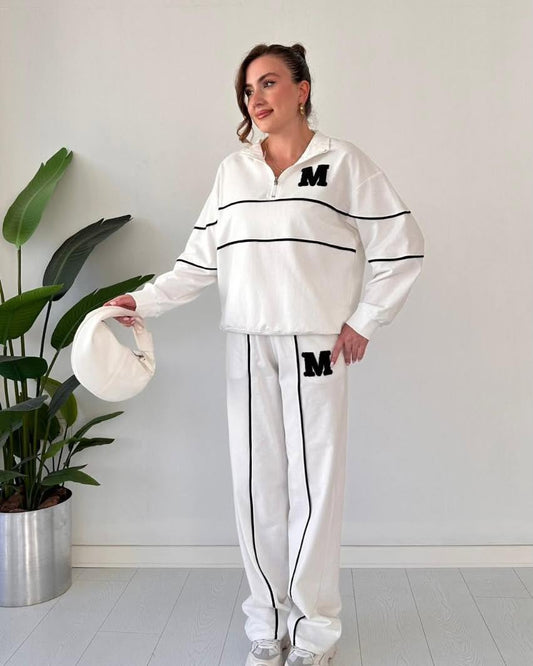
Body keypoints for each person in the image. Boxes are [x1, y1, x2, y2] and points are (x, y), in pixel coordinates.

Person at [104, 43, 424, 666]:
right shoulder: (233, 172)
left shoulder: (342, 163)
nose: (257, 97)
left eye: (270, 82)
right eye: (249, 89)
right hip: (248, 343)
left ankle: (314, 633)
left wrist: (364, 320)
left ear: (302, 90)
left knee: (314, 488)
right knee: (256, 488)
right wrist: (140, 301)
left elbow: (402, 244)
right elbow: (198, 264)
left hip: (315, 346)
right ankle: (268, 625)